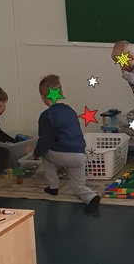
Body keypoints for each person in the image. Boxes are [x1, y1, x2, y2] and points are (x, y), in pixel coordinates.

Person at [33, 75, 100, 213]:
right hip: (79, 154)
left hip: (60, 154)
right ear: (61, 92)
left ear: (42, 97)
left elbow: (44, 140)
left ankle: (53, 186)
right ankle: (91, 197)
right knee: (78, 185)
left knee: (45, 155)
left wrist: (36, 153)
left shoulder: (46, 115)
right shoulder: (71, 111)